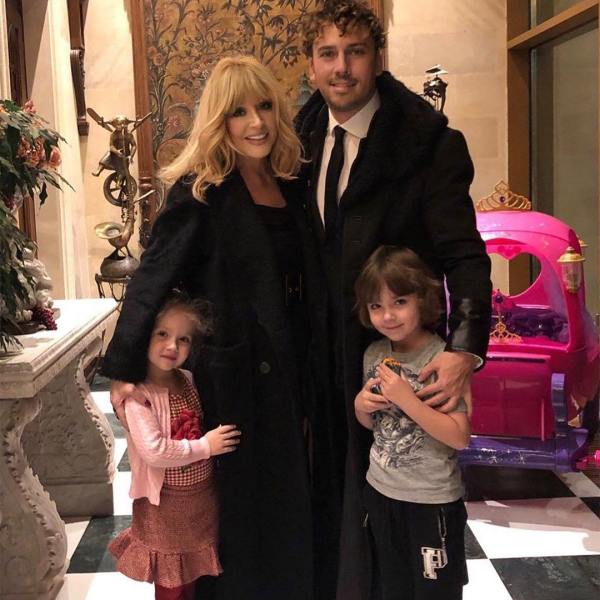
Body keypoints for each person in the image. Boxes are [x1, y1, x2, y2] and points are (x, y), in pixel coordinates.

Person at [103, 55, 331, 600]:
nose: (256, 122)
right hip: (235, 374)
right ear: (218, 121)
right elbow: (152, 277)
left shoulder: (292, 182)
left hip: (295, 361)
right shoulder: (201, 191)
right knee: (241, 509)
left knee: (289, 496)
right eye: (238, 112)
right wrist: (126, 366)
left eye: (264, 106)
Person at [296, 1, 491, 598]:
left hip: (398, 354)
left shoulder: (428, 143)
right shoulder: (295, 141)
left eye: (355, 51)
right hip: (320, 360)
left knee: (407, 513)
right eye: (328, 53)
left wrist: (465, 349)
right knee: (334, 500)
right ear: (310, 65)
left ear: (377, 59)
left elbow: (465, 255)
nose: (342, 67)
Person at [354, 246, 470, 600]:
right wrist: (361, 405)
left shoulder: (442, 359)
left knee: (436, 590)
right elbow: (373, 426)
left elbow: (459, 436)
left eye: (400, 302)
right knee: (393, 588)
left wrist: (408, 399)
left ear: (422, 299)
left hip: (431, 501)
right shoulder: (374, 354)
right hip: (381, 493)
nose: (388, 315)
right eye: (376, 306)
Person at [108, 293, 241, 600]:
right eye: (162, 334)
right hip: (165, 507)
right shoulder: (138, 395)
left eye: (183, 339)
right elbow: (154, 451)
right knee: (170, 583)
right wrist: (205, 447)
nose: (172, 346)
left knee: (190, 575)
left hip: (200, 501)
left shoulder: (189, 379)